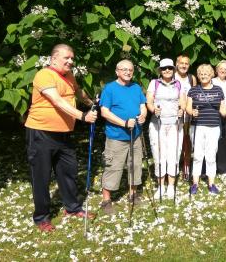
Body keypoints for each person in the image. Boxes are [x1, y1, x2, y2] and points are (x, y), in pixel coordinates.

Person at [25, 44, 97, 232]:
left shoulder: (69, 76)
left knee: (68, 171)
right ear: (54, 58)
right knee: (41, 176)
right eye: (67, 58)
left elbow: (78, 92)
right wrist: (82, 116)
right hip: (41, 132)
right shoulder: (44, 75)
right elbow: (57, 101)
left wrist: (92, 103)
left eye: (72, 58)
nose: (71, 61)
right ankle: (41, 217)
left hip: (64, 133)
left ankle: (72, 208)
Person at [99, 59, 147, 215]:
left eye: (130, 70)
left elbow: (142, 106)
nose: (127, 72)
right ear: (117, 71)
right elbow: (104, 112)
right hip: (116, 136)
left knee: (135, 165)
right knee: (113, 166)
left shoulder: (136, 87)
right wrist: (124, 123)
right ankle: (106, 199)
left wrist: (143, 116)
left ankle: (132, 194)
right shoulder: (110, 88)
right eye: (124, 69)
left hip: (136, 135)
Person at [146, 58, 186, 199]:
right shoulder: (154, 83)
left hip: (175, 124)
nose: (167, 70)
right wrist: (153, 109)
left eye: (170, 67)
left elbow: (183, 102)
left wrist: (182, 110)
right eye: (164, 68)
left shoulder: (178, 84)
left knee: (174, 154)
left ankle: (170, 187)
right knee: (159, 154)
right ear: (160, 71)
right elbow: (149, 101)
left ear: (174, 69)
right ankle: (161, 186)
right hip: (158, 124)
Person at [186, 64, 226, 194]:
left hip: (213, 127)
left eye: (206, 74)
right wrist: (192, 112)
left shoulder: (218, 90)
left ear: (211, 76)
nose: (203, 76)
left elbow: (222, 107)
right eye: (201, 74)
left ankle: (211, 184)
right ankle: (195, 184)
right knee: (198, 155)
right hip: (197, 126)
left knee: (210, 156)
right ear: (198, 76)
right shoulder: (193, 90)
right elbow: (188, 107)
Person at [174, 54, 197, 181]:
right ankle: (173, 168)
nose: (183, 65)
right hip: (174, 116)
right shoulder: (171, 75)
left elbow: (195, 95)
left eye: (186, 63)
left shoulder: (191, 78)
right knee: (175, 142)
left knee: (186, 142)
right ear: (176, 64)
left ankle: (186, 168)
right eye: (181, 63)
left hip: (188, 116)